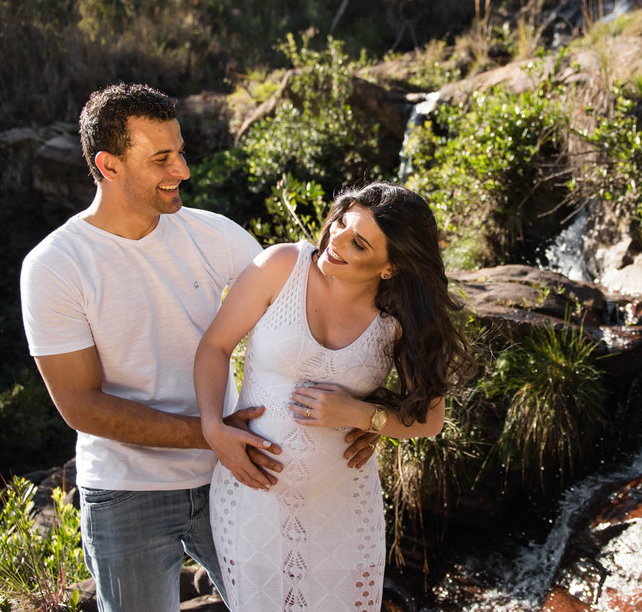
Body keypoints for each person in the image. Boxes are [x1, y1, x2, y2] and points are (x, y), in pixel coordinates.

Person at [19, 83, 377, 612]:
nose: (182, 170)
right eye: (161, 158)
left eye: (180, 151)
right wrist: (213, 435)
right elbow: (81, 406)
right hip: (126, 491)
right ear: (108, 165)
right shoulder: (54, 266)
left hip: (239, 474)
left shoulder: (216, 236)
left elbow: (312, 317)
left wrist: (366, 416)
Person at [195, 182, 472, 611]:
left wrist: (365, 415)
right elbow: (214, 347)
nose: (336, 240)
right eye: (342, 222)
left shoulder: (400, 320)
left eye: (358, 243)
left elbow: (430, 420)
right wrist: (214, 428)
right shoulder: (281, 266)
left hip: (341, 509)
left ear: (390, 267)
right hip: (252, 499)